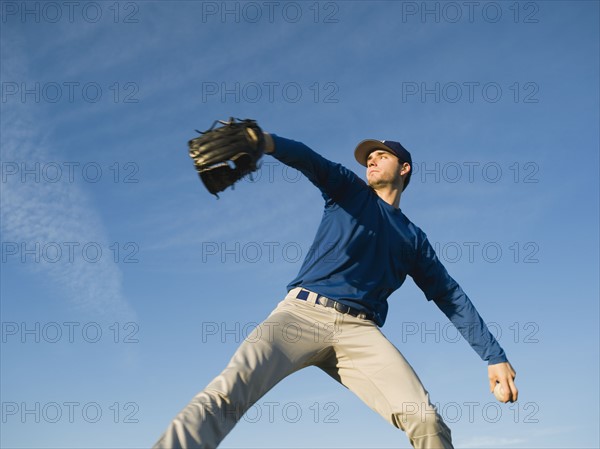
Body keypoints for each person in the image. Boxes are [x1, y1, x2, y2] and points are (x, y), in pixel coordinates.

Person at [154, 131, 518, 449]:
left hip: (361, 333)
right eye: (368, 159)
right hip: (299, 316)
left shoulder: (414, 239)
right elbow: (310, 160)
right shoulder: (349, 192)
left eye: (381, 156)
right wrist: (262, 142)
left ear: (404, 169)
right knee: (228, 392)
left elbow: (449, 295)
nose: (371, 162)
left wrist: (494, 356)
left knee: (425, 419)